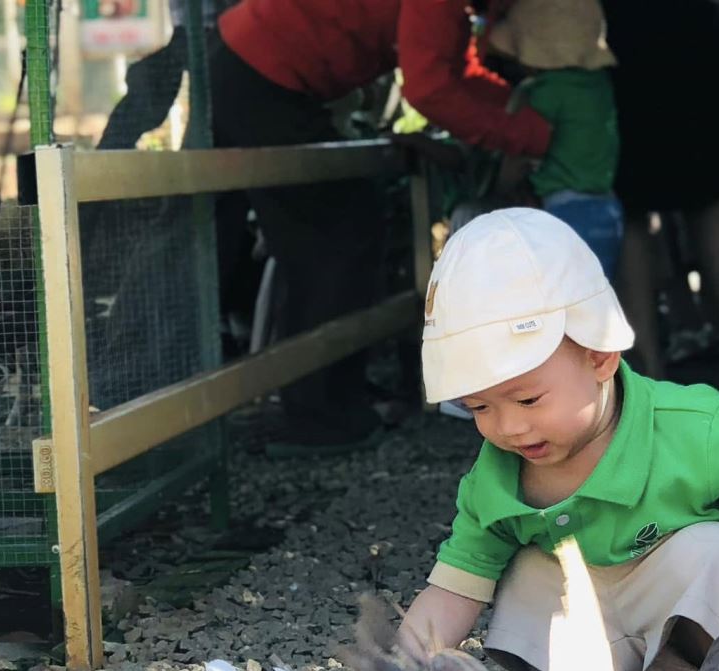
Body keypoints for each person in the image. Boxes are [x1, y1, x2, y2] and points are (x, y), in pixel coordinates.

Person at [398, 209, 719, 671]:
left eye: (527, 400)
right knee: (527, 578)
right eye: (479, 407)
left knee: (707, 552)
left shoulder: (686, 424)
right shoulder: (496, 482)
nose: (509, 426)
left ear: (600, 357)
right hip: (622, 648)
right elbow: (453, 591)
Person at [209, 0, 554, 457]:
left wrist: (526, 119)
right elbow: (430, 89)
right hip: (263, 75)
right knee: (336, 235)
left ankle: (329, 395)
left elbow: (456, 72)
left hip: (254, 65)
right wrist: (533, 138)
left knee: (325, 230)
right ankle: (320, 413)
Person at [601, 0, 719, 399]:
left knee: (631, 206)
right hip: (692, 27)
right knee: (709, 194)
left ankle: (649, 368)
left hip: (619, 32)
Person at [485, 0, 622, 279]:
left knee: (558, 305)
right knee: (592, 301)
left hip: (564, 212)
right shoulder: (600, 86)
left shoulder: (545, 93)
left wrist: (498, 189)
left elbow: (522, 153)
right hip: (608, 208)